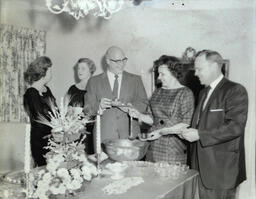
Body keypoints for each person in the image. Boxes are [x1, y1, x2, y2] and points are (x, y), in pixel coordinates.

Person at [180, 50, 248, 199]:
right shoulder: (203, 92)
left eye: (199, 69)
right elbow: (203, 124)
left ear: (215, 66)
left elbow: (235, 127)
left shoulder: (235, 90)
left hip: (221, 171)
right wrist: (187, 130)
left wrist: (199, 134)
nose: (196, 73)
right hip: (200, 167)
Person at [129, 55, 194, 164]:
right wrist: (139, 115)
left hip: (173, 148)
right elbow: (152, 118)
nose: (159, 77)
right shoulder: (158, 92)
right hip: (153, 146)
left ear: (174, 73)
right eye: (159, 74)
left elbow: (186, 123)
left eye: (162, 74)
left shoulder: (185, 93)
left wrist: (160, 132)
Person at [83, 46, 148, 143]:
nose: (121, 64)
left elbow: (144, 103)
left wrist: (131, 108)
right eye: (117, 61)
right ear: (108, 61)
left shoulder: (136, 80)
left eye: (124, 60)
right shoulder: (94, 82)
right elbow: (87, 110)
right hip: (104, 137)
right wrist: (99, 106)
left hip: (130, 137)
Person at [23, 56, 57, 166]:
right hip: (39, 140)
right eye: (50, 70)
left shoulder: (47, 90)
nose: (52, 73)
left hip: (52, 138)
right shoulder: (31, 93)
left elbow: (55, 111)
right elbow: (39, 119)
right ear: (43, 72)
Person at [66, 58, 96, 154]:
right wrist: (70, 114)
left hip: (91, 131)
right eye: (78, 68)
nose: (79, 71)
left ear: (90, 70)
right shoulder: (72, 89)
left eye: (83, 68)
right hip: (75, 132)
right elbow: (68, 111)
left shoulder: (96, 88)